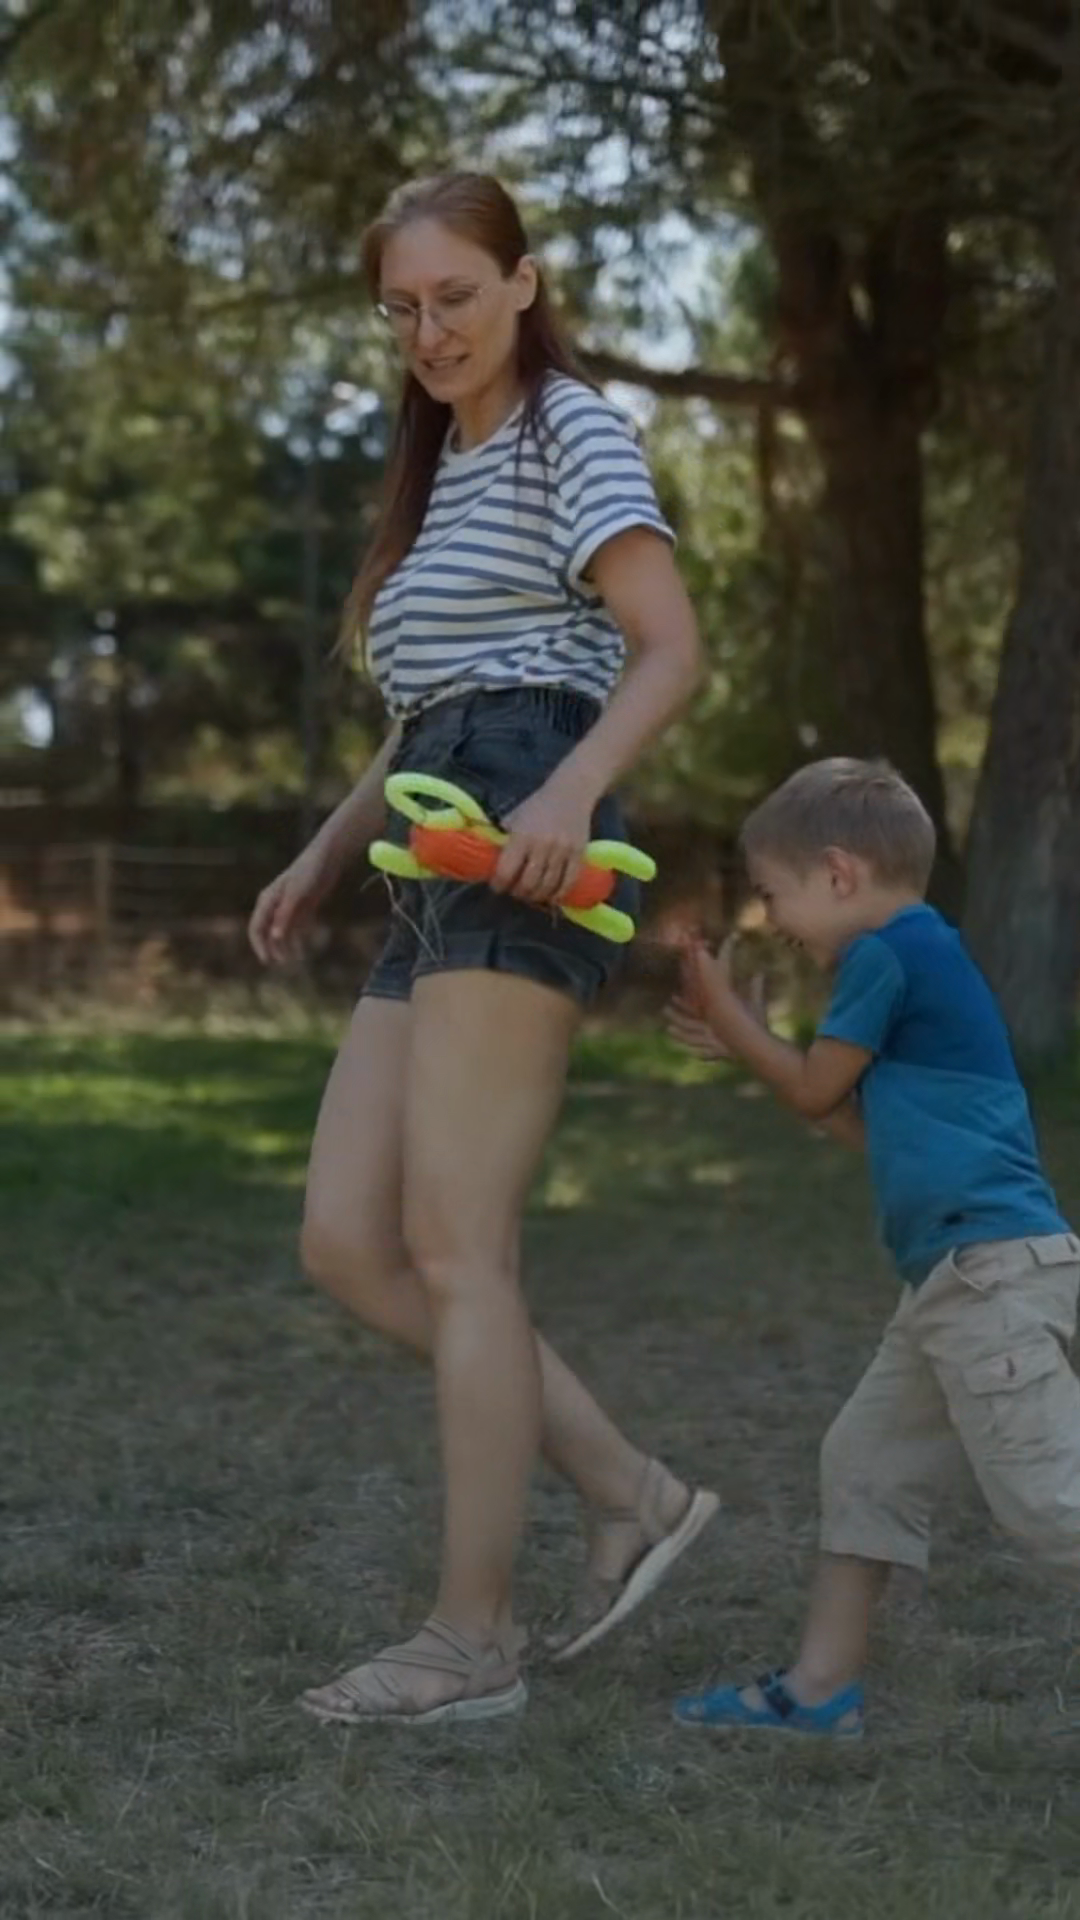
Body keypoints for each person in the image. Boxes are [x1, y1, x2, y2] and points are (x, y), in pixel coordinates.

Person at [248, 170, 719, 1726]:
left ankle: (475, 1640)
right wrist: (325, 851)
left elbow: (668, 648)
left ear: (522, 283)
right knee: (346, 1238)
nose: (428, 329)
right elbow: (427, 713)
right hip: (436, 833)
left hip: (531, 818)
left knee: (460, 1249)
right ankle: (628, 1487)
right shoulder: (442, 467)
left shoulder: (569, 427)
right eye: (401, 307)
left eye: (454, 295)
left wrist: (572, 793)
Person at [666, 757, 1080, 1737]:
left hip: (986, 1280)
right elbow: (857, 1123)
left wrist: (733, 1019)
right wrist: (751, 1043)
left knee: (1053, 1507)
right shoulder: (922, 956)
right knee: (864, 1463)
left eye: (775, 895)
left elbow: (814, 1088)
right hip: (957, 1280)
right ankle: (820, 1691)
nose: (773, 919)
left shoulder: (886, 955)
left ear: (839, 872)